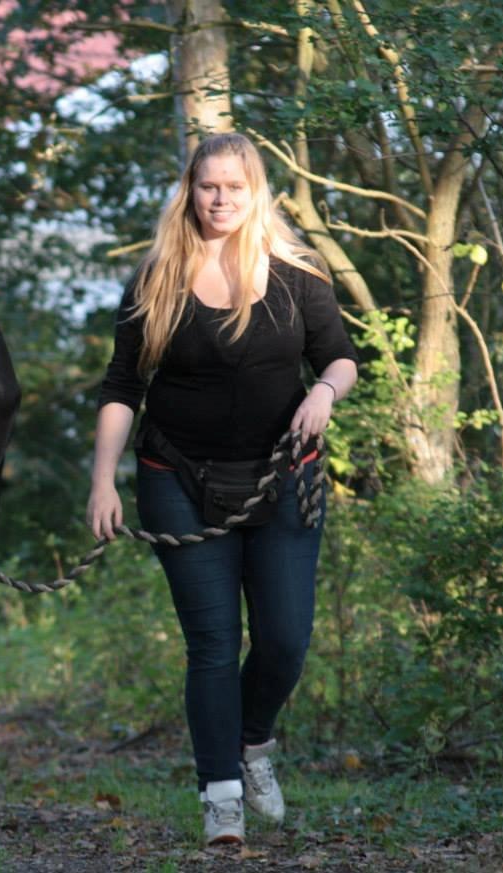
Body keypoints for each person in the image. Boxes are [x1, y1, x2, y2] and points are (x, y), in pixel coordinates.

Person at [86, 132, 358, 846]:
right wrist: (101, 482)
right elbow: (122, 386)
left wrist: (326, 391)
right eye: (208, 185)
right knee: (212, 643)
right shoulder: (157, 276)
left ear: (255, 190)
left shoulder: (298, 270)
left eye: (234, 187)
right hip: (177, 477)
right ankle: (222, 797)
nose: (220, 200)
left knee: (285, 639)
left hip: (283, 476)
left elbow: (338, 357)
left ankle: (254, 737)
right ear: (190, 188)